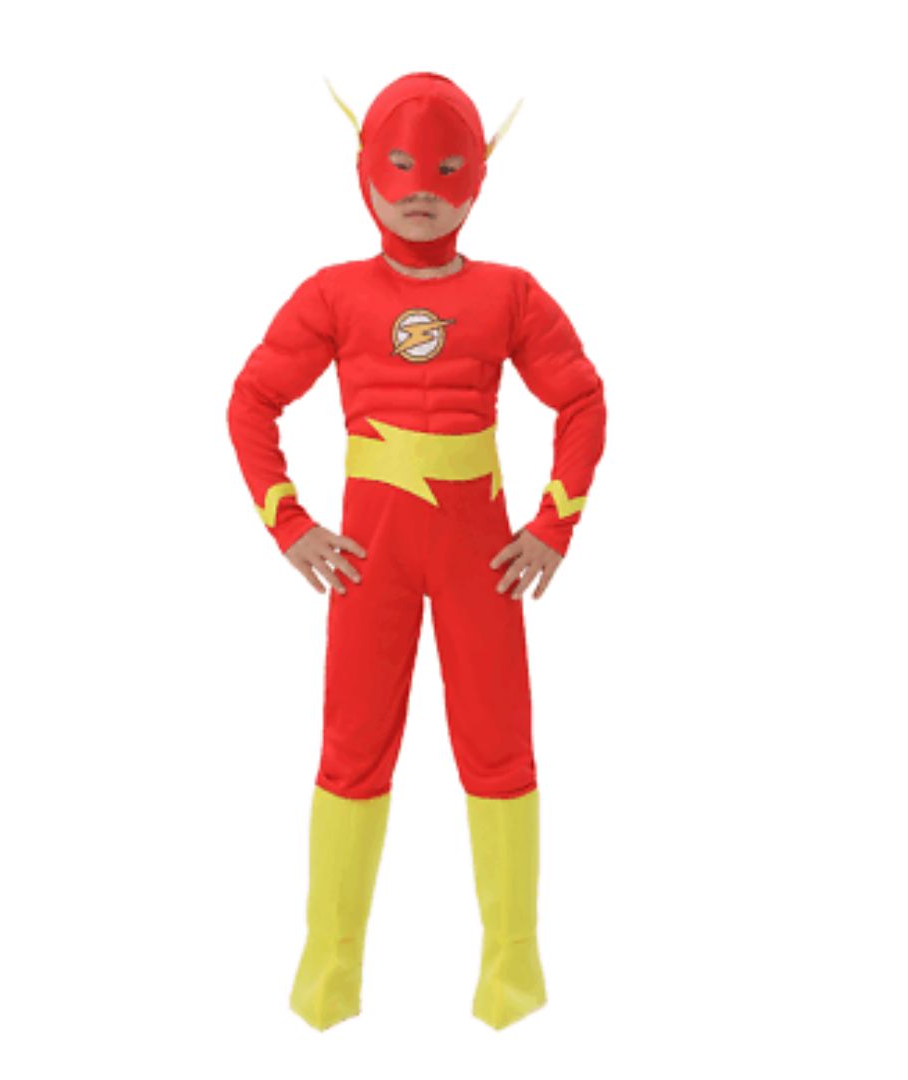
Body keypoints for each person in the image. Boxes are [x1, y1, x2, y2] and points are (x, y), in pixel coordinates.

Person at [226, 71, 607, 1031]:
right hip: (371, 559)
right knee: (350, 752)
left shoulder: (511, 293)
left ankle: (513, 983)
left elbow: (582, 399)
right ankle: (327, 980)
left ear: (478, 174)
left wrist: (554, 523)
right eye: (401, 165)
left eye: (444, 168)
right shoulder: (334, 292)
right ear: (366, 170)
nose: (422, 190)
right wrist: (288, 522)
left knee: (500, 750)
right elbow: (252, 399)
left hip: (482, 558)